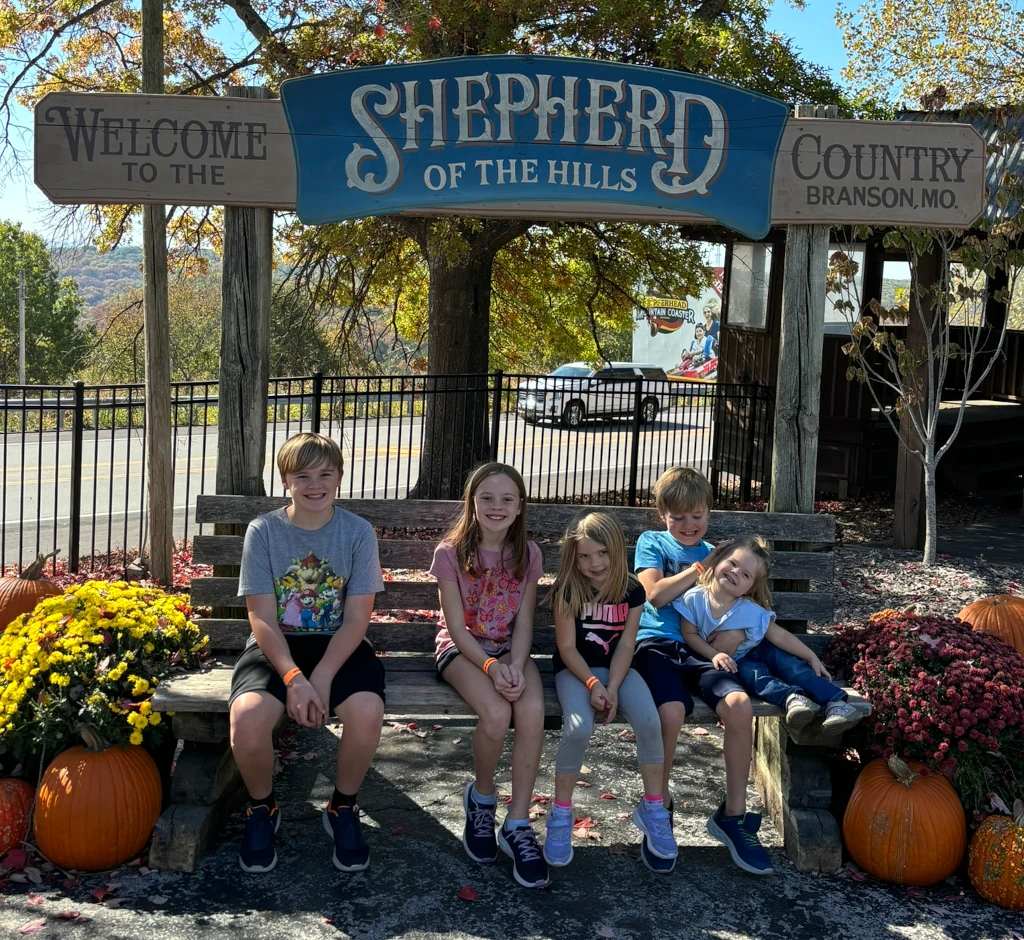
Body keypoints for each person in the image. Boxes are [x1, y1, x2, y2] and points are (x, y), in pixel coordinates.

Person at [229, 432, 386, 874]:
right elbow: (261, 617)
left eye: (325, 473)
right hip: (277, 645)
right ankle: (262, 807)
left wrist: (322, 676)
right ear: (286, 481)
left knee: (367, 711)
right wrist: (295, 678)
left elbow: (357, 619)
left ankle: (342, 806)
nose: (315, 484)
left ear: (339, 476)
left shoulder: (357, 532)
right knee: (248, 716)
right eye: (303, 476)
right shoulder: (264, 532)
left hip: (340, 644)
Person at [632, 466, 774, 876]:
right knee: (672, 712)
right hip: (654, 646)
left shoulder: (719, 555)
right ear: (662, 515)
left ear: (709, 513)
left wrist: (729, 643)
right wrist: (699, 568)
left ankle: (732, 815)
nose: (688, 524)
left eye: (697, 515)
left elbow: (741, 603)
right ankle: (658, 806)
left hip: (700, 653)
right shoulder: (653, 542)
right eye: (678, 516)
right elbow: (655, 596)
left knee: (739, 703)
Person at [430, 462, 549, 888]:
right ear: (472, 502)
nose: (496, 507)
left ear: (519, 508)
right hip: (464, 652)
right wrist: (491, 667)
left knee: (531, 713)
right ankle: (481, 801)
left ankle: (517, 823)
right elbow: (457, 629)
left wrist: (516, 665)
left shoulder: (529, 554)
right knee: (497, 715)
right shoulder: (450, 553)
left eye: (507, 499)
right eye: (487, 498)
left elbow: (525, 622)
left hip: (510, 652)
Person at [544, 512, 676, 872]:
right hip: (576, 671)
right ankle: (560, 815)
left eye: (601, 553)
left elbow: (626, 643)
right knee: (578, 728)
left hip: (617, 671)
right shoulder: (568, 589)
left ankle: (653, 808)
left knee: (650, 721)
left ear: (616, 551)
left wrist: (614, 686)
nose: (594, 563)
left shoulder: (632, 590)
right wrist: (593, 684)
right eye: (584, 556)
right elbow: (568, 648)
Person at [677, 536, 863, 735]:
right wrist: (713, 654)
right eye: (732, 563)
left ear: (750, 587)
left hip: (762, 648)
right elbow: (689, 634)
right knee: (756, 677)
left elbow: (780, 636)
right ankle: (794, 700)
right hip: (736, 661)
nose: (735, 573)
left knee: (791, 667)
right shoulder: (694, 598)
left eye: (746, 575)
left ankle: (836, 704)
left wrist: (811, 656)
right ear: (718, 560)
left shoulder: (750, 609)